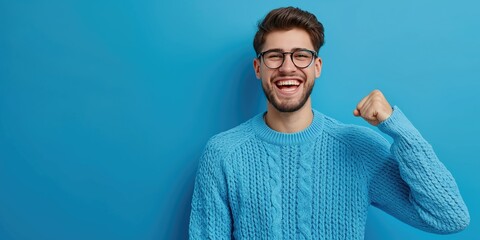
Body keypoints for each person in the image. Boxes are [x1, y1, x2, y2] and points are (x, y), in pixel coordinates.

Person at [189, 6, 470, 240]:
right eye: (274, 56)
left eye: (301, 55)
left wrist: (398, 129)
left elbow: (449, 217)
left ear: (317, 67)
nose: (288, 67)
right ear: (258, 67)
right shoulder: (223, 154)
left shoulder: (358, 148)